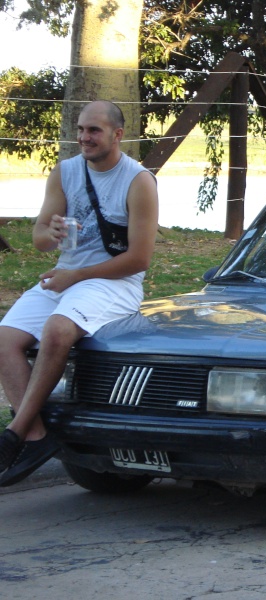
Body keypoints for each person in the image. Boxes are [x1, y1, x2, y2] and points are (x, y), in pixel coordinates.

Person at [0, 100, 159, 485]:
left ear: (117, 135)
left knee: (58, 330)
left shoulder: (138, 181)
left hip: (113, 282)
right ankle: (37, 436)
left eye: (94, 131)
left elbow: (138, 259)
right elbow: (39, 239)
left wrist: (76, 276)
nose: (85, 138)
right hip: (66, 276)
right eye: (81, 129)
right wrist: (49, 233)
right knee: (4, 339)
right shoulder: (65, 172)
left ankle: (12, 435)